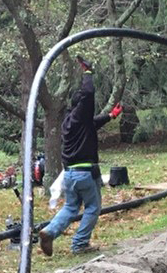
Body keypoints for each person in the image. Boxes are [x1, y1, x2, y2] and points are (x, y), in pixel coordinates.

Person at [37, 57, 122, 255]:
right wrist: (88, 73)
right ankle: (80, 244)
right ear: (80, 108)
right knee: (93, 207)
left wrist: (110, 116)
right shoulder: (80, 116)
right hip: (85, 173)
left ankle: (50, 231)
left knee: (71, 207)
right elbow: (88, 93)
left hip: (69, 175)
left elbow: (92, 124)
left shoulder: (69, 122)